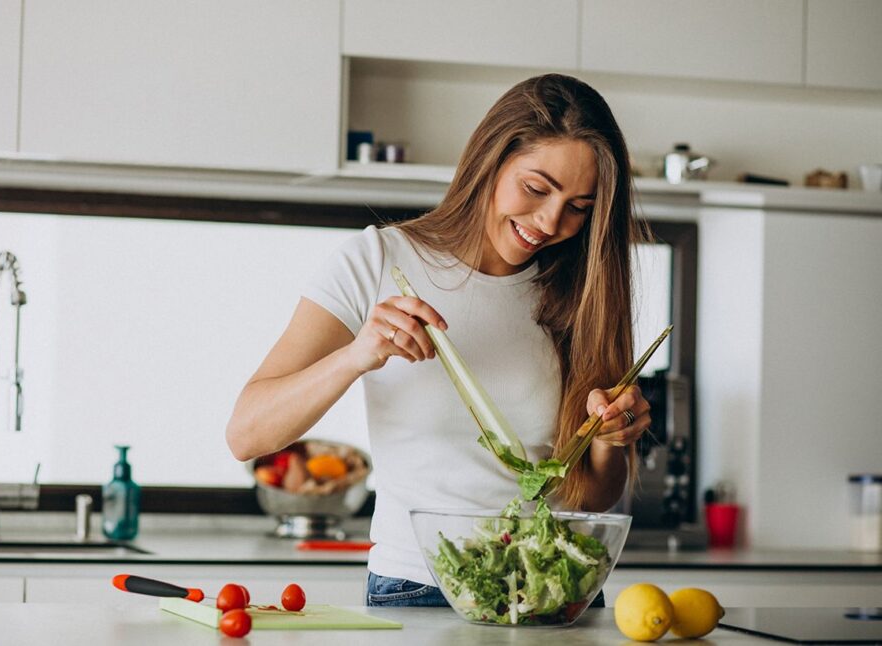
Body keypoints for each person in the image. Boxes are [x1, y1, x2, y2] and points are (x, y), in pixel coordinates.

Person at [226, 74, 651, 608]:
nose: (549, 221)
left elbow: (591, 497)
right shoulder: (378, 262)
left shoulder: (583, 292)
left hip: (556, 590)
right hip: (419, 586)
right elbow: (247, 434)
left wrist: (610, 439)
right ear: (490, 161)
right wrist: (356, 355)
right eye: (536, 189)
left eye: (579, 207)